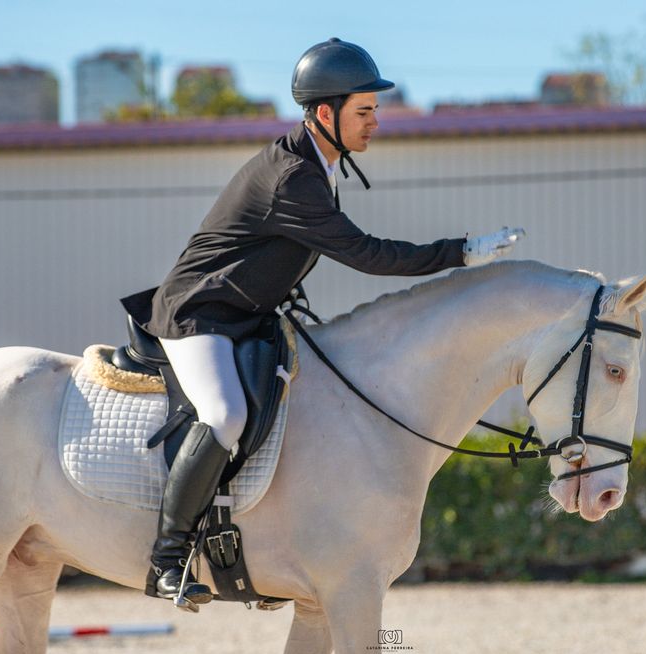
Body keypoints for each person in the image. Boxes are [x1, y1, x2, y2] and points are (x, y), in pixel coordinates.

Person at [119, 37, 526, 606]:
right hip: (199, 315)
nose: (375, 122)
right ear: (325, 113)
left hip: (247, 315)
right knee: (223, 414)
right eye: (365, 111)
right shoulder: (292, 177)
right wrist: (461, 252)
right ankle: (166, 560)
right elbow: (367, 254)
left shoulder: (317, 164)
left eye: (376, 110)